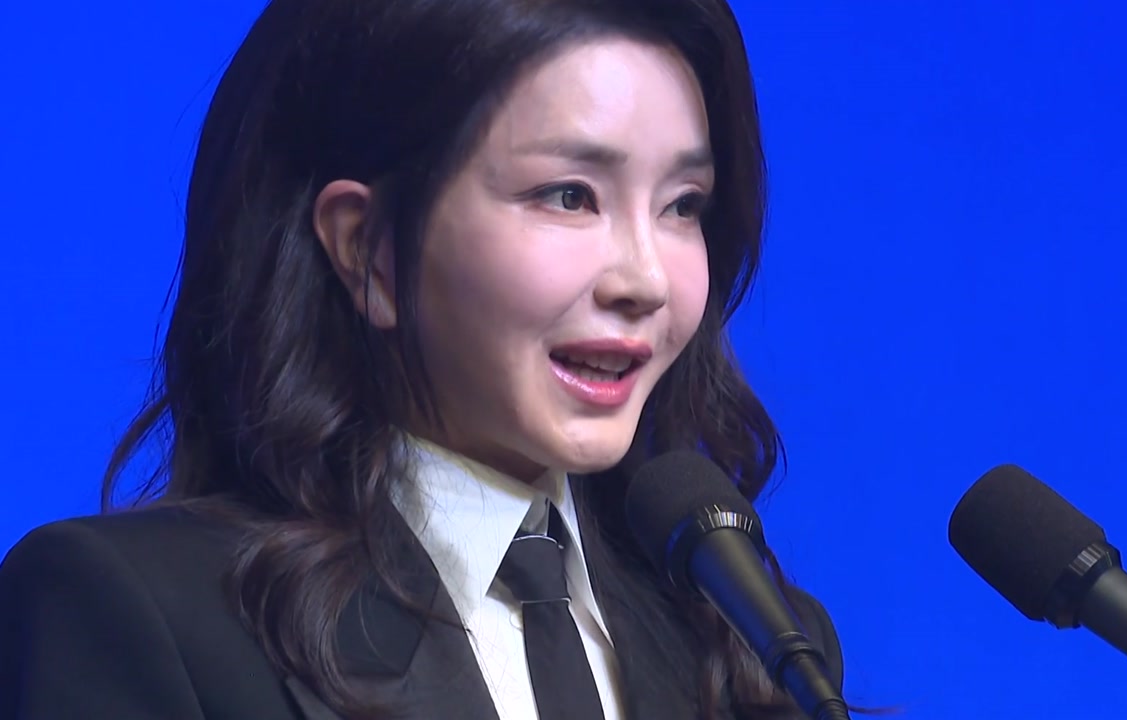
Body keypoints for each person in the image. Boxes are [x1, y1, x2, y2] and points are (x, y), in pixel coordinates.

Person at [0, 1, 858, 718]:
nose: (646, 281)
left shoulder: (754, 643)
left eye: (683, 205)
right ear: (366, 247)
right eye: (569, 196)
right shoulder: (132, 613)